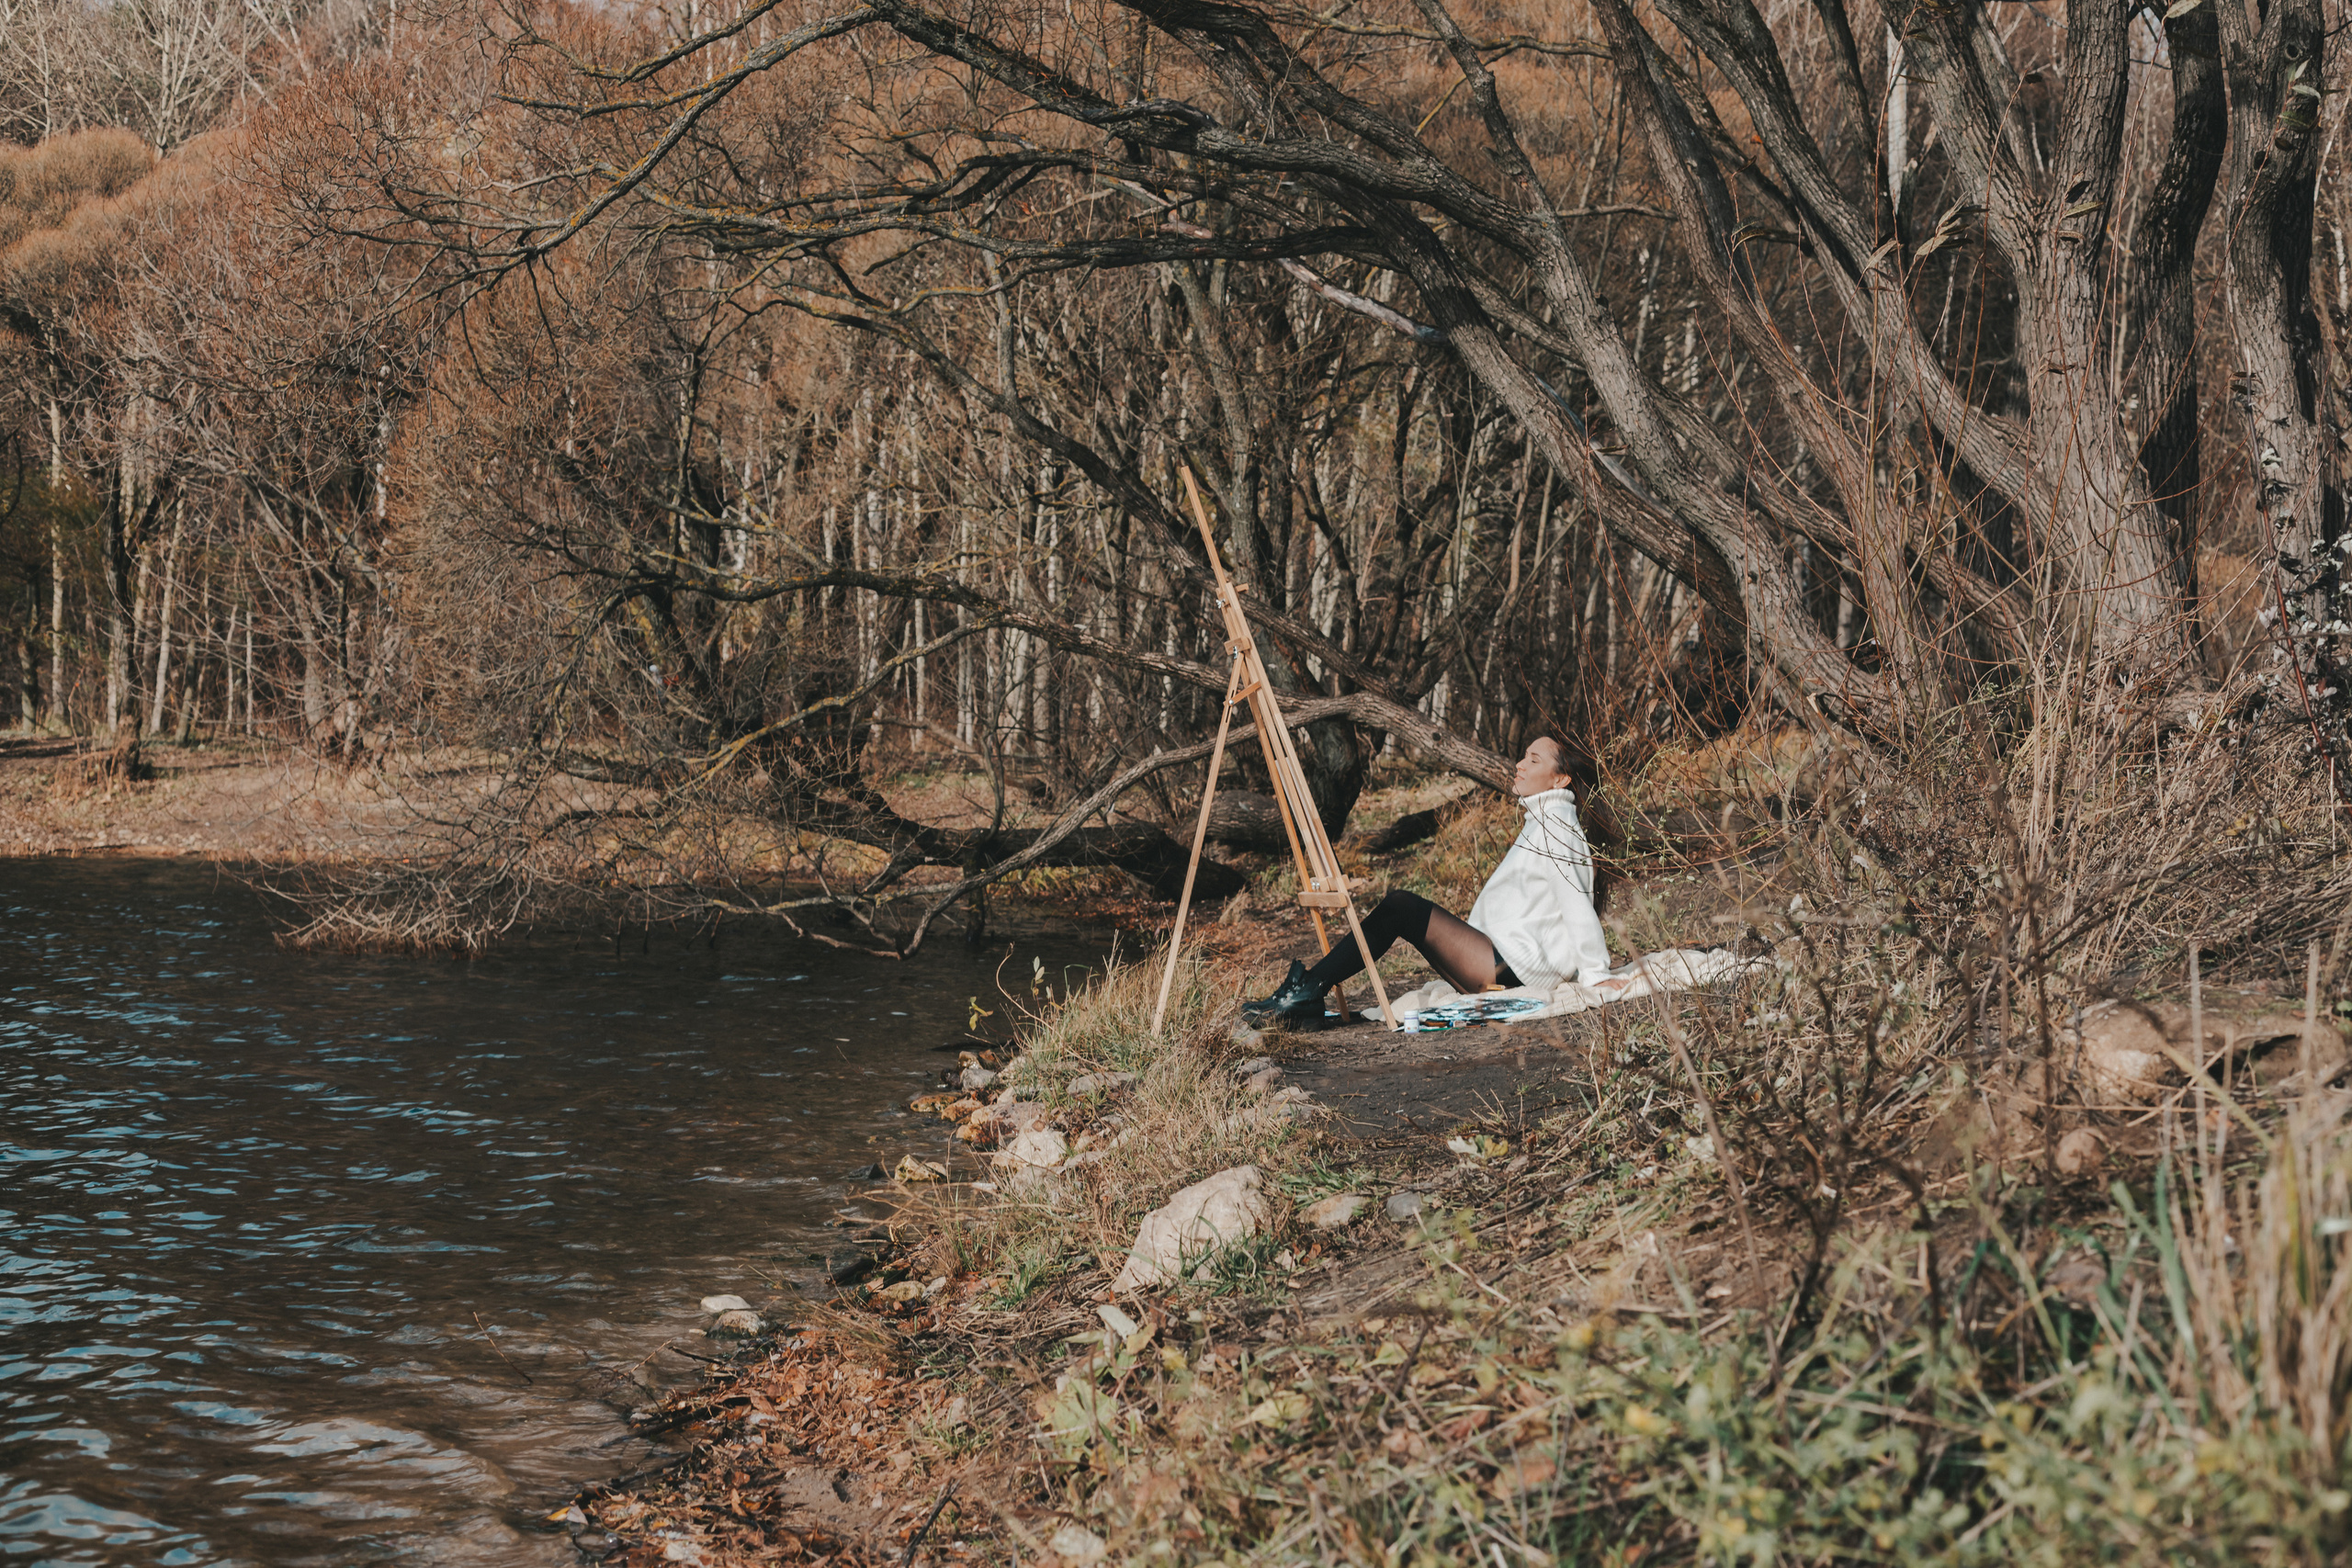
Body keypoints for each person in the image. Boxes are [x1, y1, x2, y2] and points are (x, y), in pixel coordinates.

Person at [1241, 734, 1623, 1024]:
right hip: (1502, 962)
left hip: (1513, 973)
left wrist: (1596, 974)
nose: (1520, 764)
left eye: (1534, 760)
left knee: (1401, 906)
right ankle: (1307, 991)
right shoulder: (1544, 821)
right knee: (1401, 908)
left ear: (1560, 780)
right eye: (1524, 755)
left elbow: (1577, 903)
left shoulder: (1558, 828)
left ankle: (1305, 992)